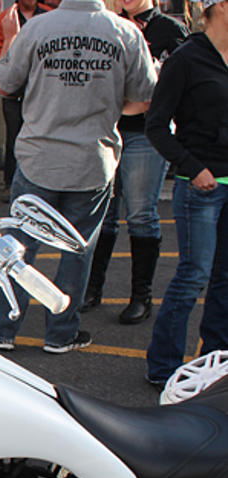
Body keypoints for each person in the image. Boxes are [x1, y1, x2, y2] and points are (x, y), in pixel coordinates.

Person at [0, 0, 157, 354]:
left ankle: (2, 329)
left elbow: (5, 84)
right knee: (77, 252)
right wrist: (107, 104)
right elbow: (146, 94)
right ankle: (61, 333)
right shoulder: (125, 32)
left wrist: (12, 40)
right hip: (92, 160)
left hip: (39, 157)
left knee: (17, 249)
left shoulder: (38, 28)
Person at [82, 0, 188, 324]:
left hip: (147, 134)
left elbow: (182, 82)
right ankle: (92, 289)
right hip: (109, 131)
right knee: (106, 216)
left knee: (141, 215)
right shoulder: (108, 25)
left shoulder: (169, 30)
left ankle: (141, 297)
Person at [144, 0, 228, 386]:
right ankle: (163, 368)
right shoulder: (187, 58)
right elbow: (156, 126)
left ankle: (213, 366)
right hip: (201, 188)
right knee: (193, 276)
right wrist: (194, 169)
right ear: (216, 8)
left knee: (224, 278)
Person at [0, 0, 52, 193]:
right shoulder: (5, 19)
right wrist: (10, 40)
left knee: (40, 138)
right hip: (13, 92)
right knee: (15, 138)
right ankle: (10, 183)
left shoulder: (48, 16)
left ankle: (39, 185)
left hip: (41, 91)